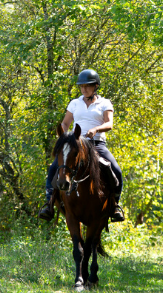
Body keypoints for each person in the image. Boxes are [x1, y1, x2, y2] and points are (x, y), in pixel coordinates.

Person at [38, 69, 125, 222]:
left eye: (88, 86)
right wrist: (65, 135)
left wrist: (96, 129)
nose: (84, 89)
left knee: (115, 169)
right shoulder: (75, 103)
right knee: (54, 168)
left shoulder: (104, 103)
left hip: (96, 144)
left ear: (96, 86)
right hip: (75, 144)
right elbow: (65, 123)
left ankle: (115, 204)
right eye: (81, 86)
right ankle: (49, 203)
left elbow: (109, 123)